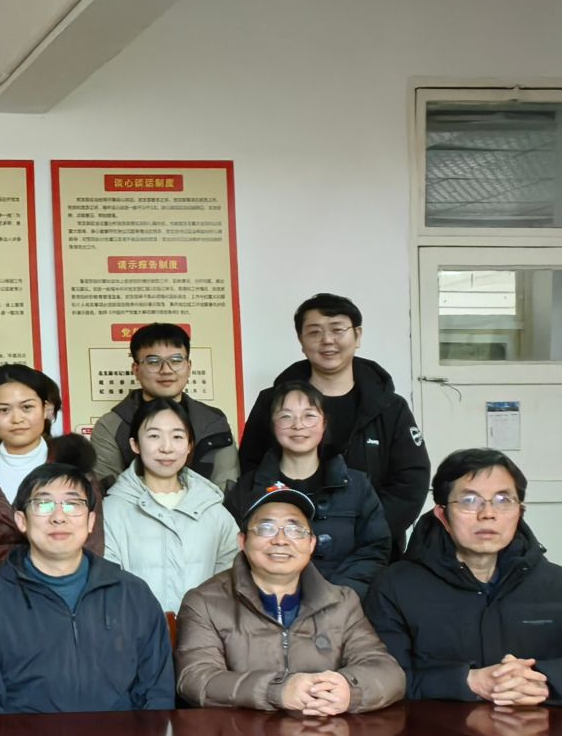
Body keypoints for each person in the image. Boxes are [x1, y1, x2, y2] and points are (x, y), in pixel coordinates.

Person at [364, 449, 562, 706]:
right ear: (442, 515)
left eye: (504, 500)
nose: (488, 513)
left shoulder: (557, 584)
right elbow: (381, 678)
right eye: (469, 500)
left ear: (520, 512)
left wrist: (543, 680)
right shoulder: (395, 586)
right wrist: (468, 681)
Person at [0, 456, 173, 714]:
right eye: (43, 504)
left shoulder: (133, 595)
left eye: (72, 504)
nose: (58, 517)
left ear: (91, 521)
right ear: (21, 520)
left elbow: (156, 693)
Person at [176, 485, 405, 714]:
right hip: (239, 734)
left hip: (323, 732)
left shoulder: (342, 602)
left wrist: (350, 689)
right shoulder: (205, 602)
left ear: (311, 544)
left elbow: (388, 671)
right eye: (266, 528)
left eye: (295, 529)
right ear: (242, 541)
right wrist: (276, 690)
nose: (281, 540)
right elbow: (195, 679)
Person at [238, 294, 430, 549]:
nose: (327, 340)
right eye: (314, 332)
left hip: (372, 553)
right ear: (301, 341)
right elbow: (251, 469)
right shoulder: (271, 402)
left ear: (357, 335)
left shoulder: (389, 407)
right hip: (286, 547)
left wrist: (367, 534)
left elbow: (410, 482)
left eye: (337, 330)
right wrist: (295, 537)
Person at [0, 365, 102, 604]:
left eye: (27, 407)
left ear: (45, 408)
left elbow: (92, 548)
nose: (17, 419)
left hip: (65, 605)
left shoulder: (74, 469)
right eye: (3, 410)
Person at [226, 381, 390, 595]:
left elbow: (374, 549)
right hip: (264, 604)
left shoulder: (357, 486)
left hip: (342, 602)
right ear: (273, 425)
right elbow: (231, 551)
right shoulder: (248, 488)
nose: (298, 425)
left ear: (324, 423)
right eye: (286, 416)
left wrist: (337, 596)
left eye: (309, 416)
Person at [102, 396, 240, 614]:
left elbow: (231, 582)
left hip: (203, 631)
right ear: (135, 444)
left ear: (189, 445)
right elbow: (107, 586)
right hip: (136, 630)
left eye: (177, 437)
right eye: (154, 436)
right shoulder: (112, 510)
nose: (166, 448)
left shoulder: (214, 511)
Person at [87, 322, 239, 489]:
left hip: (209, 506)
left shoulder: (213, 422)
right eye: (153, 361)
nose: (166, 370)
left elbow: (227, 488)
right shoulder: (112, 425)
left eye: (176, 360)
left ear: (189, 367)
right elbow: (108, 491)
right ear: (136, 369)